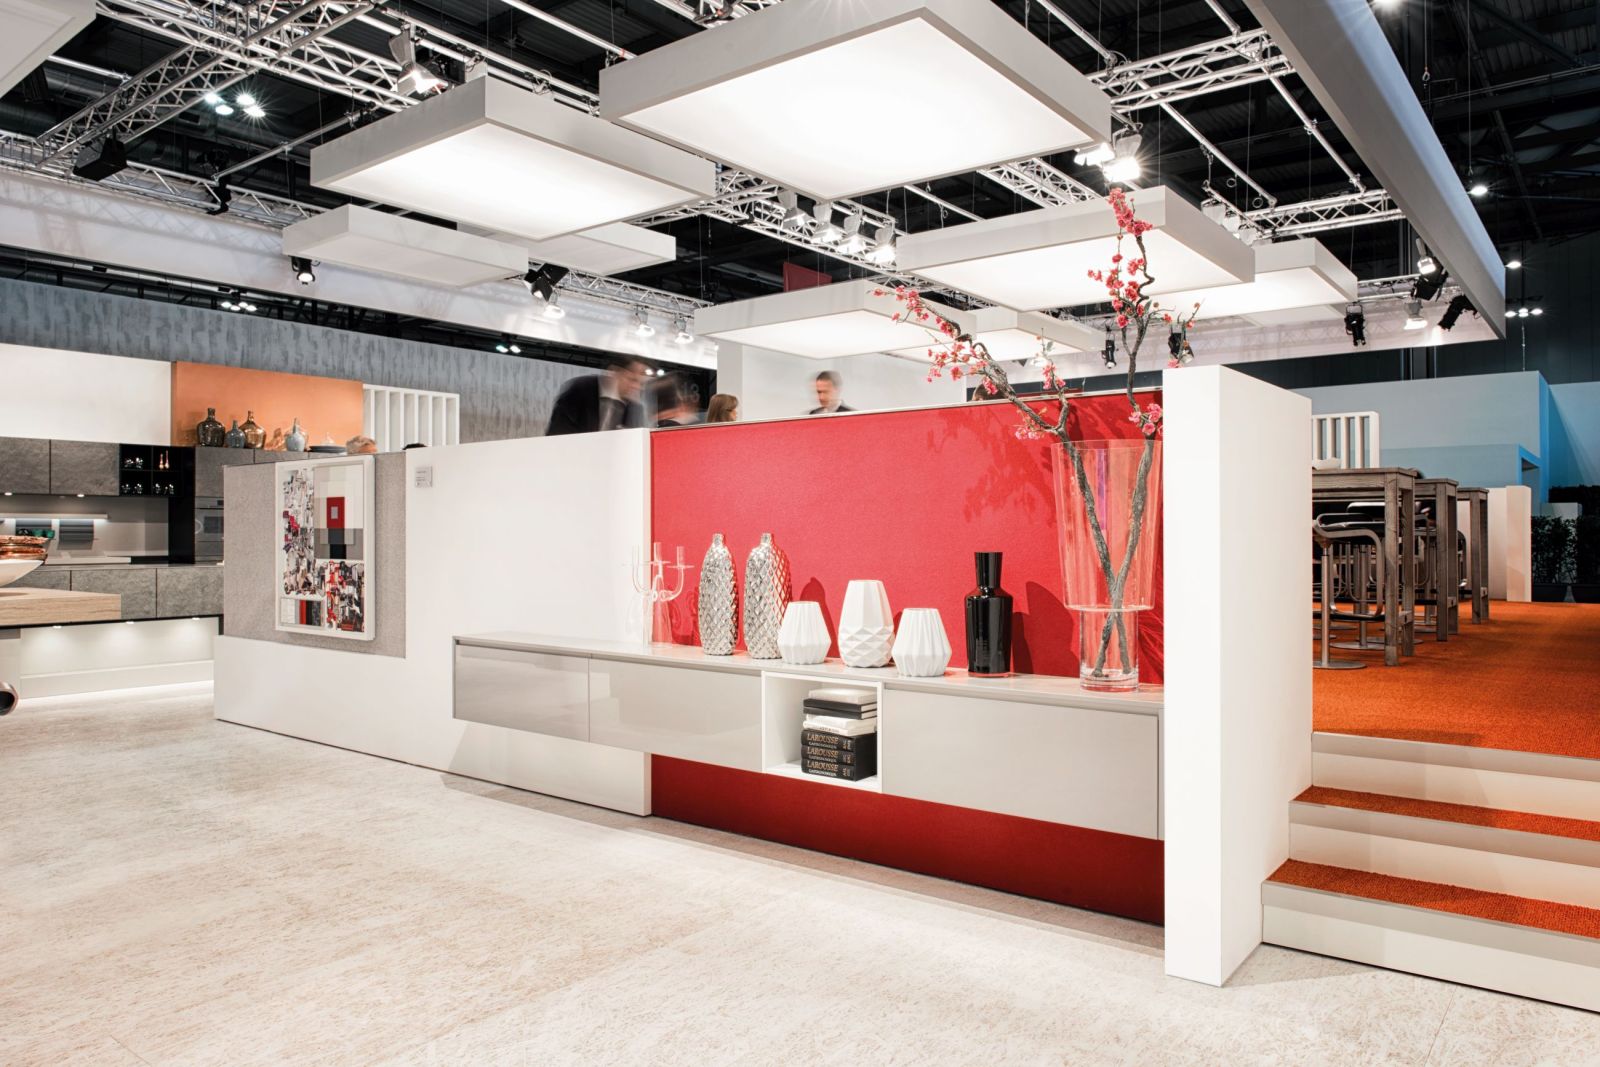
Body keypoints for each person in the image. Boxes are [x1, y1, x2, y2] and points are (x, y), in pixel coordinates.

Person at [546, 356, 650, 435]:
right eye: (632, 380)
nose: (637, 387)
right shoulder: (579, 390)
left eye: (641, 383)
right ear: (614, 372)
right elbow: (558, 434)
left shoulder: (635, 408)